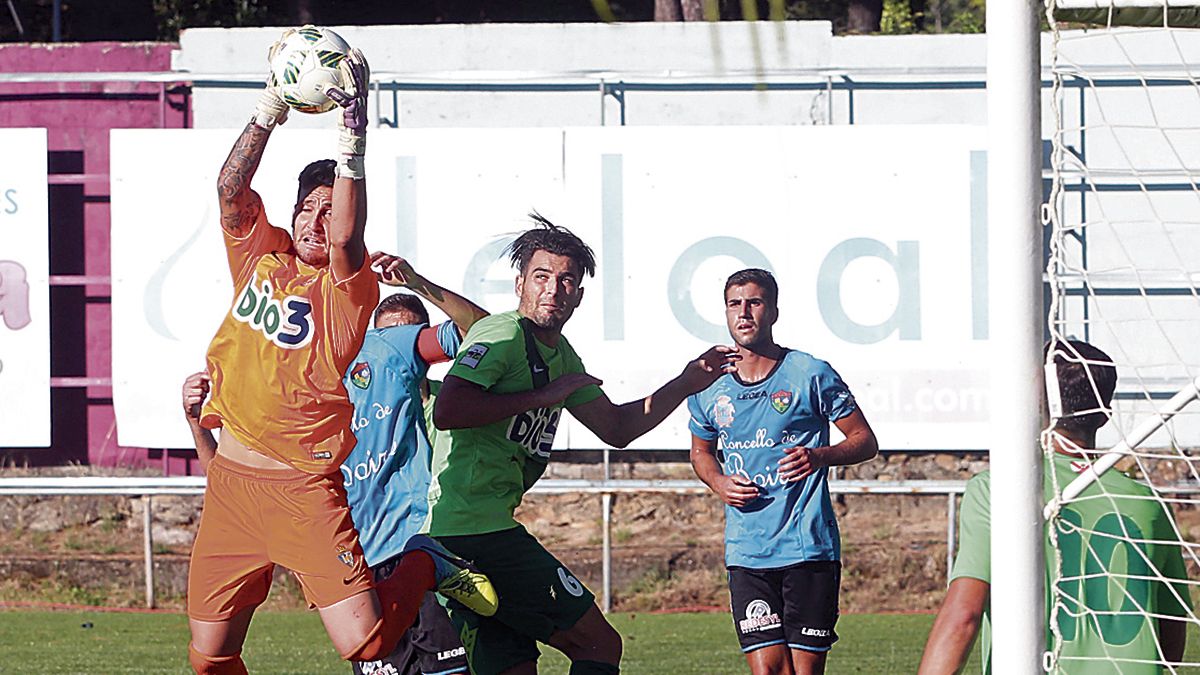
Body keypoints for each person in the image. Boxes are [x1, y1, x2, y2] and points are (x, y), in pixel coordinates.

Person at [185, 35, 495, 675]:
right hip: (234, 489)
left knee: (371, 645)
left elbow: (349, 235)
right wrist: (272, 103)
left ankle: (426, 562)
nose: (315, 219)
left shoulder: (349, 289)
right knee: (209, 661)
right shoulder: (260, 258)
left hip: (303, 487)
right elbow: (229, 185)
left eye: (328, 209)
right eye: (306, 206)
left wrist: (352, 132)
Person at [429, 215, 742, 675]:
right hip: (476, 534)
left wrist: (688, 381)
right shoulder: (504, 334)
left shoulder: (560, 353)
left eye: (565, 280)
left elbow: (616, 428)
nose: (552, 289)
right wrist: (542, 397)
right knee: (599, 645)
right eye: (541, 276)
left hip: (468, 533)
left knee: (512, 669)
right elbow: (448, 410)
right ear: (519, 284)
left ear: (578, 294)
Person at [918, 339, 1192, 675]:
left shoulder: (999, 490)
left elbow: (963, 616)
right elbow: (1170, 637)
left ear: (1034, 402)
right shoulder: (1148, 503)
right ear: (1105, 413)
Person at [686, 268, 879, 675]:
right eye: (735, 304)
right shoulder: (708, 385)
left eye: (754, 302)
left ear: (772, 311)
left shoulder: (809, 373)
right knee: (768, 670)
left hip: (807, 547)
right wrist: (719, 481)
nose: (744, 313)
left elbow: (864, 440)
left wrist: (820, 456)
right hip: (747, 552)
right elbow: (701, 453)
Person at [342, 256, 487, 675]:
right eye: (386, 338)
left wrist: (421, 283)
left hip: (428, 552)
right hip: (365, 565)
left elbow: (481, 329)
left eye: (408, 336)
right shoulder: (351, 408)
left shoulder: (454, 405)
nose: (395, 349)